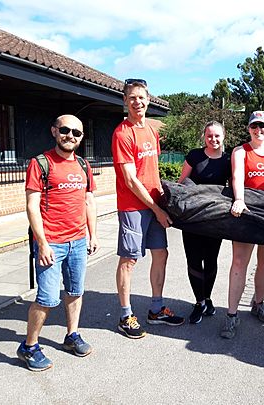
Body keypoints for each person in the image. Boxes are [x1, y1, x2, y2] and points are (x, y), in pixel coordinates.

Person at [17, 114, 99, 371]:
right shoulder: (40, 163)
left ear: (81, 137)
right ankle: (29, 347)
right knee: (47, 298)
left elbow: (88, 201)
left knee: (75, 292)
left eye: (76, 133)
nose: (70, 136)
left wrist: (93, 234)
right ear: (54, 131)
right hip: (52, 243)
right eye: (65, 130)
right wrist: (42, 243)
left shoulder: (83, 166)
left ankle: (71, 336)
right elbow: (32, 206)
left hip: (78, 241)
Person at [112, 78, 184, 339]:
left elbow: (150, 171)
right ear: (125, 101)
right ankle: (125, 315)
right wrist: (156, 208)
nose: (137, 102)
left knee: (161, 254)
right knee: (129, 259)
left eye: (141, 97)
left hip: (154, 204)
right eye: (132, 97)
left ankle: (156, 310)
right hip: (134, 206)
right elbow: (131, 180)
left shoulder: (152, 131)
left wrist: (163, 199)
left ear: (148, 99)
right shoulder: (122, 133)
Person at [220, 110, 264, 339]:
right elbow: (237, 176)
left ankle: (259, 303)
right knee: (239, 262)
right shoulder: (240, 152)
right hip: (247, 211)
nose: (258, 131)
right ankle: (231, 314)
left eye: (263, 126)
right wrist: (239, 199)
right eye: (254, 127)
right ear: (249, 129)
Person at [177, 121, 232, 324]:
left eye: (217, 136)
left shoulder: (228, 160)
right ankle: (199, 302)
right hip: (192, 217)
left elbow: (234, 185)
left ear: (223, 136)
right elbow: (182, 182)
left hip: (214, 218)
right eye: (209, 136)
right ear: (204, 136)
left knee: (210, 260)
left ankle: (207, 297)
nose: (213, 139)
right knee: (193, 260)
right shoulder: (194, 155)